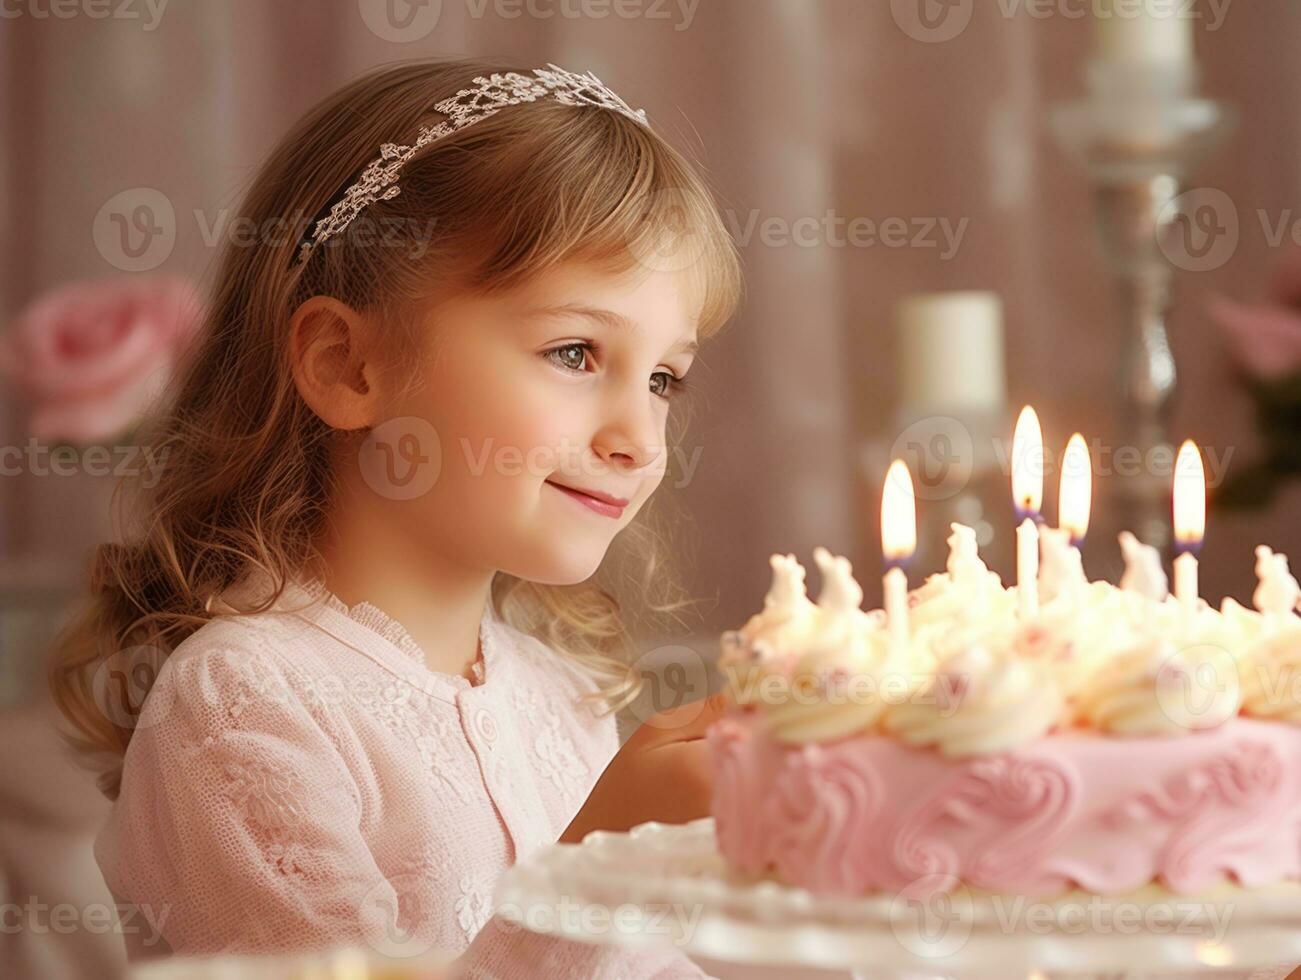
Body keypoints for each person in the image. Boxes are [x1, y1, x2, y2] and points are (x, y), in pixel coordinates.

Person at [47, 57, 741, 977]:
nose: (638, 439)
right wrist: (600, 865)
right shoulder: (241, 705)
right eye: (575, 351)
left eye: (662, 379)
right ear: (348, 366)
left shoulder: (562, 696)